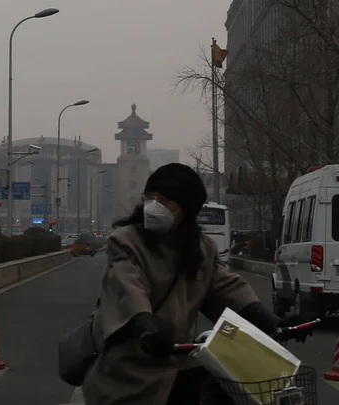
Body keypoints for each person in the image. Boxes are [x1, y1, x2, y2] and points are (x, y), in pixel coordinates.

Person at [81, 163, 311, 405]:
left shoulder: (201, 248)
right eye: (151, 197)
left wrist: (272, 322)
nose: (154, 205)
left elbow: (227, 290)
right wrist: (146, 330)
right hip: (129, 364)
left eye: (165, 199)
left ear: (186, 209)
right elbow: (129, 288)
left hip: (175, 360)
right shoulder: (126, 240)